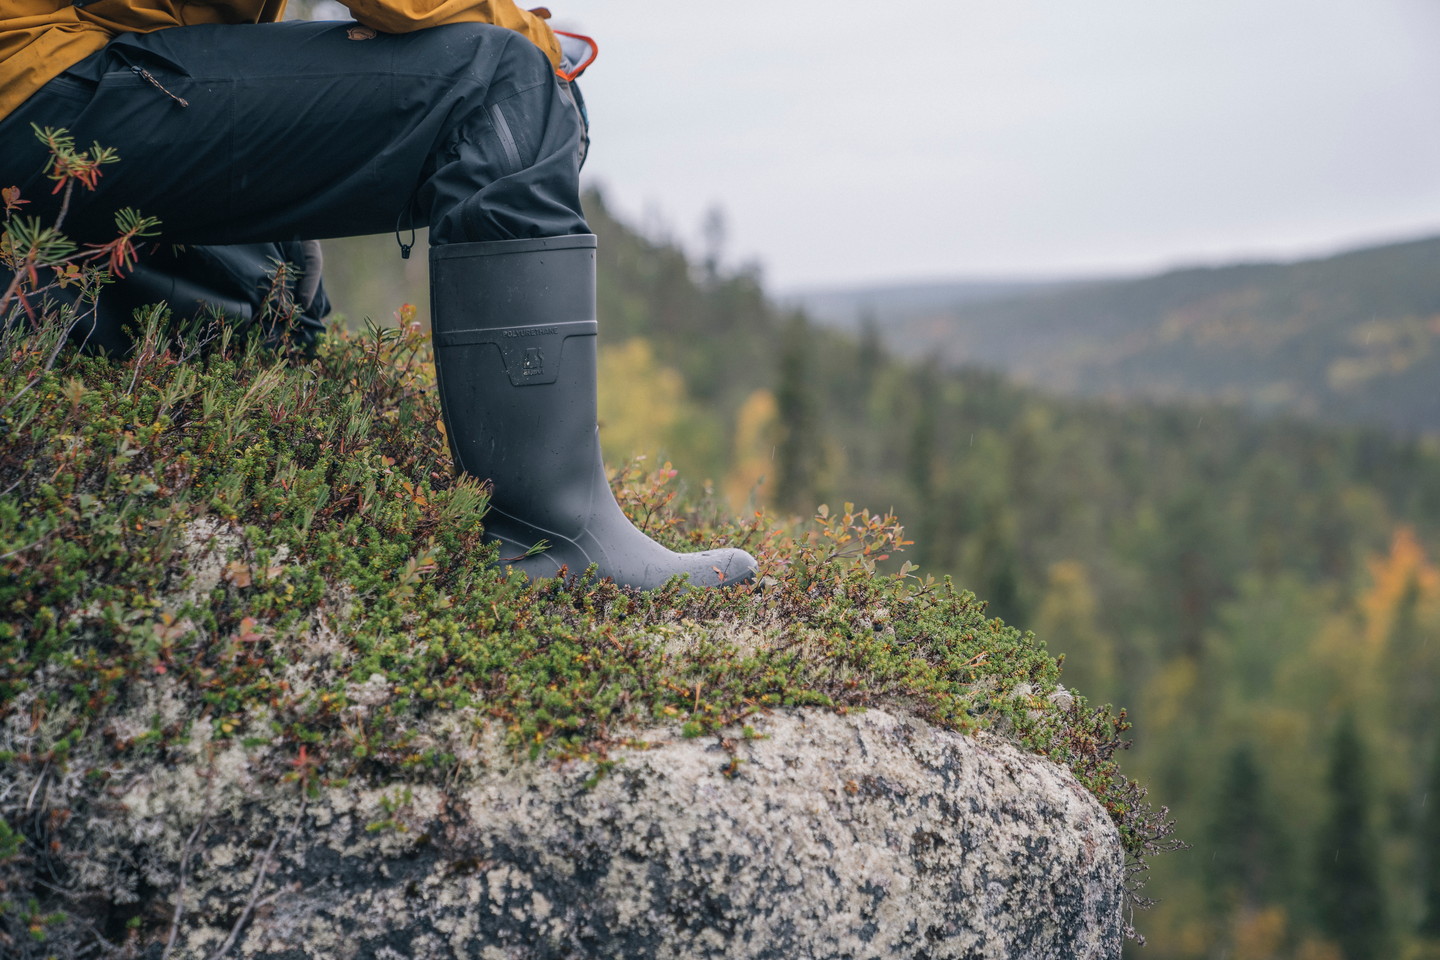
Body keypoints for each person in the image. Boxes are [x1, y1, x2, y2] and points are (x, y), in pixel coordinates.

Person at [0, 0, 757, 590]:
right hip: (44, 79)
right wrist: (527, 35)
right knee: (503, 79)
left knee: (267, 295)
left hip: (52, 79)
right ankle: (555, 537)